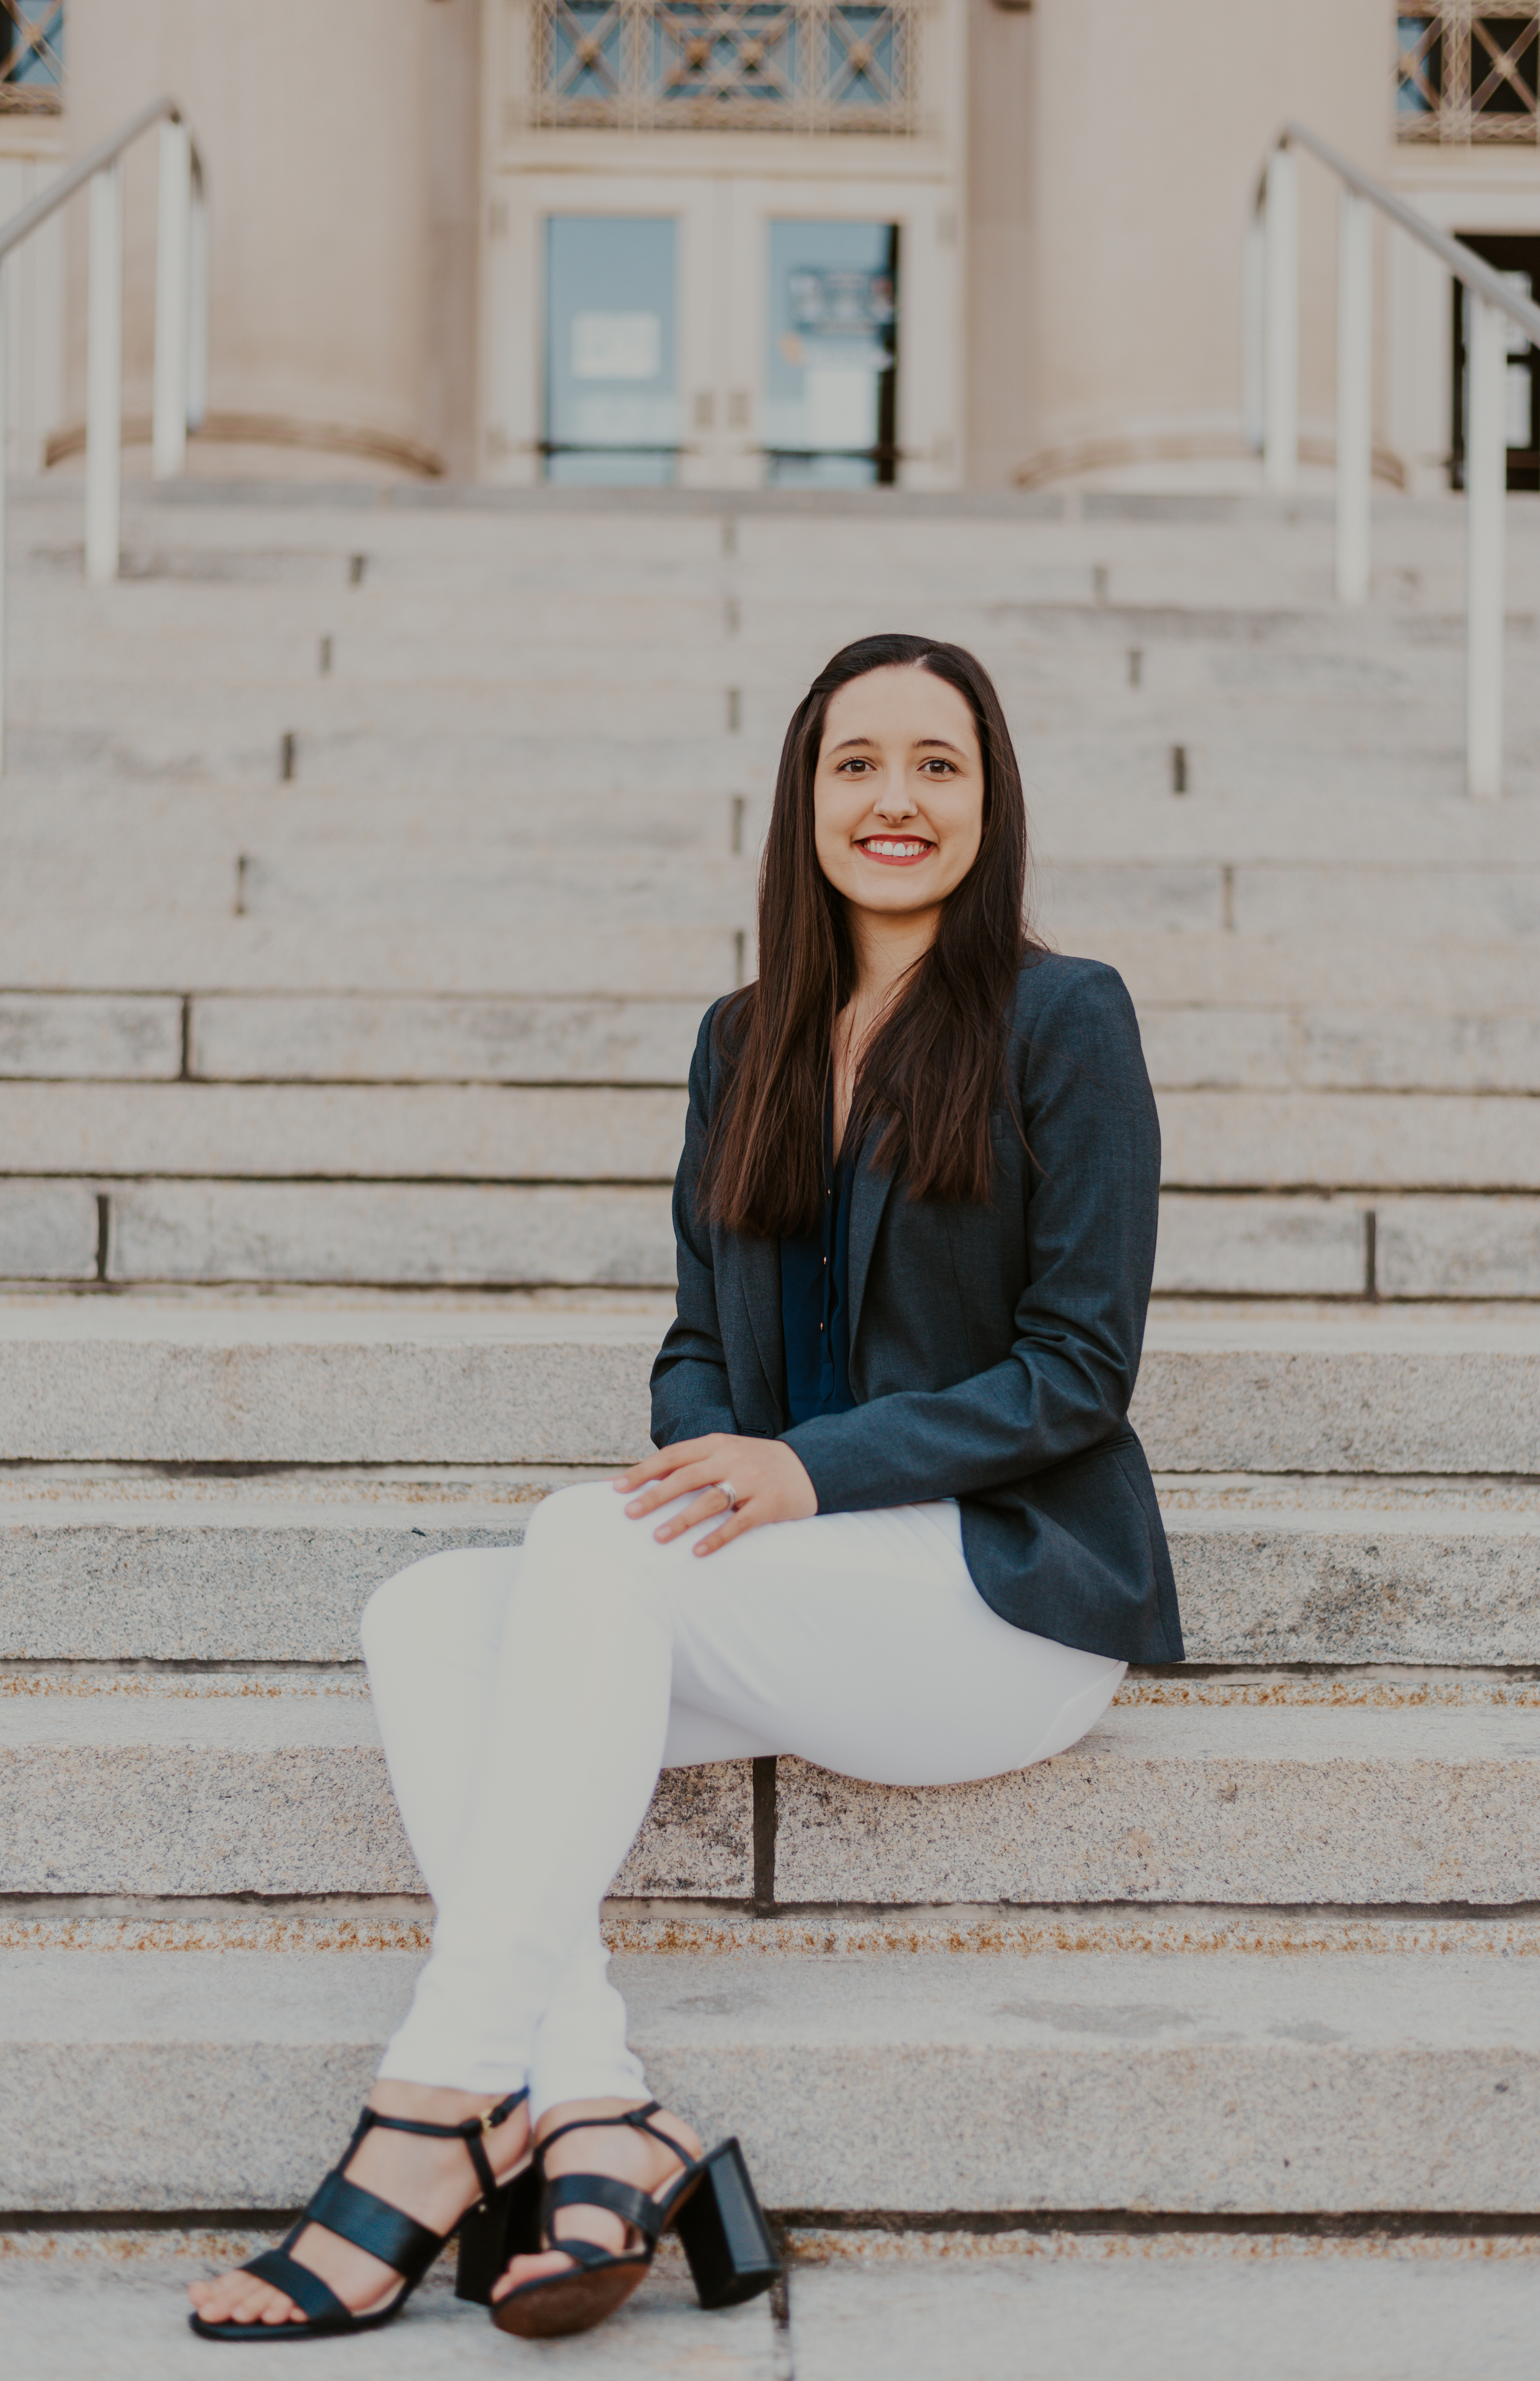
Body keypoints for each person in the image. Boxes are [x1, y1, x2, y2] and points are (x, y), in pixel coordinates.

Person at [188, 632, 1182, 2346]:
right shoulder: (746, 1040)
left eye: (937, 765)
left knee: (583, 1545)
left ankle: (433, 2109)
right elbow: (690, 1344)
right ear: (803, 799)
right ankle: (592, 2105)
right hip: (803, 1592)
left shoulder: (1062, 1016)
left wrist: (804, 1468)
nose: (895, 799)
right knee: (426, 1612)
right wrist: (715, 1451)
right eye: (855, 762)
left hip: (1000, 1603)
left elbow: (1076, 1371)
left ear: (989, 799)